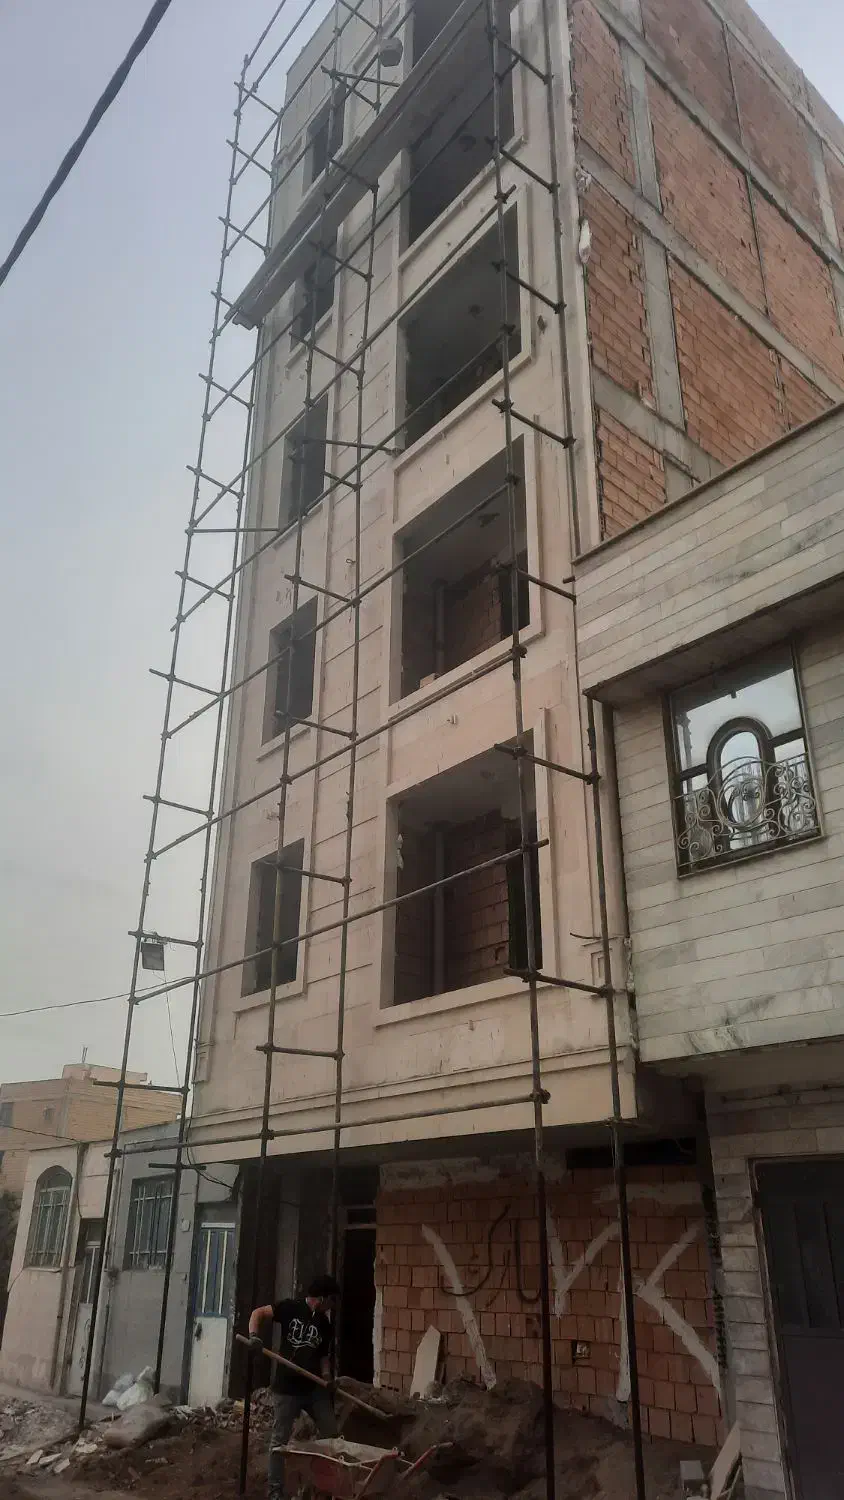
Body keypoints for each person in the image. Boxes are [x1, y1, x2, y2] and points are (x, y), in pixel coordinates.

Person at [248, 1273, 341, 1500]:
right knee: (279, 1440)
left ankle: (328, 1488)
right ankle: (275, 1491)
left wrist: (327, 1378)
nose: (332, 1306)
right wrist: (254, 1336)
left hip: (314, 1389)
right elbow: (258, 1313)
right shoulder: (291, 1308)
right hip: (287, 1388)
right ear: (322, 1298)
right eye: (332, 1300)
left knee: (332, 1434)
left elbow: (323, 1357)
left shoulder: (325, 1324)